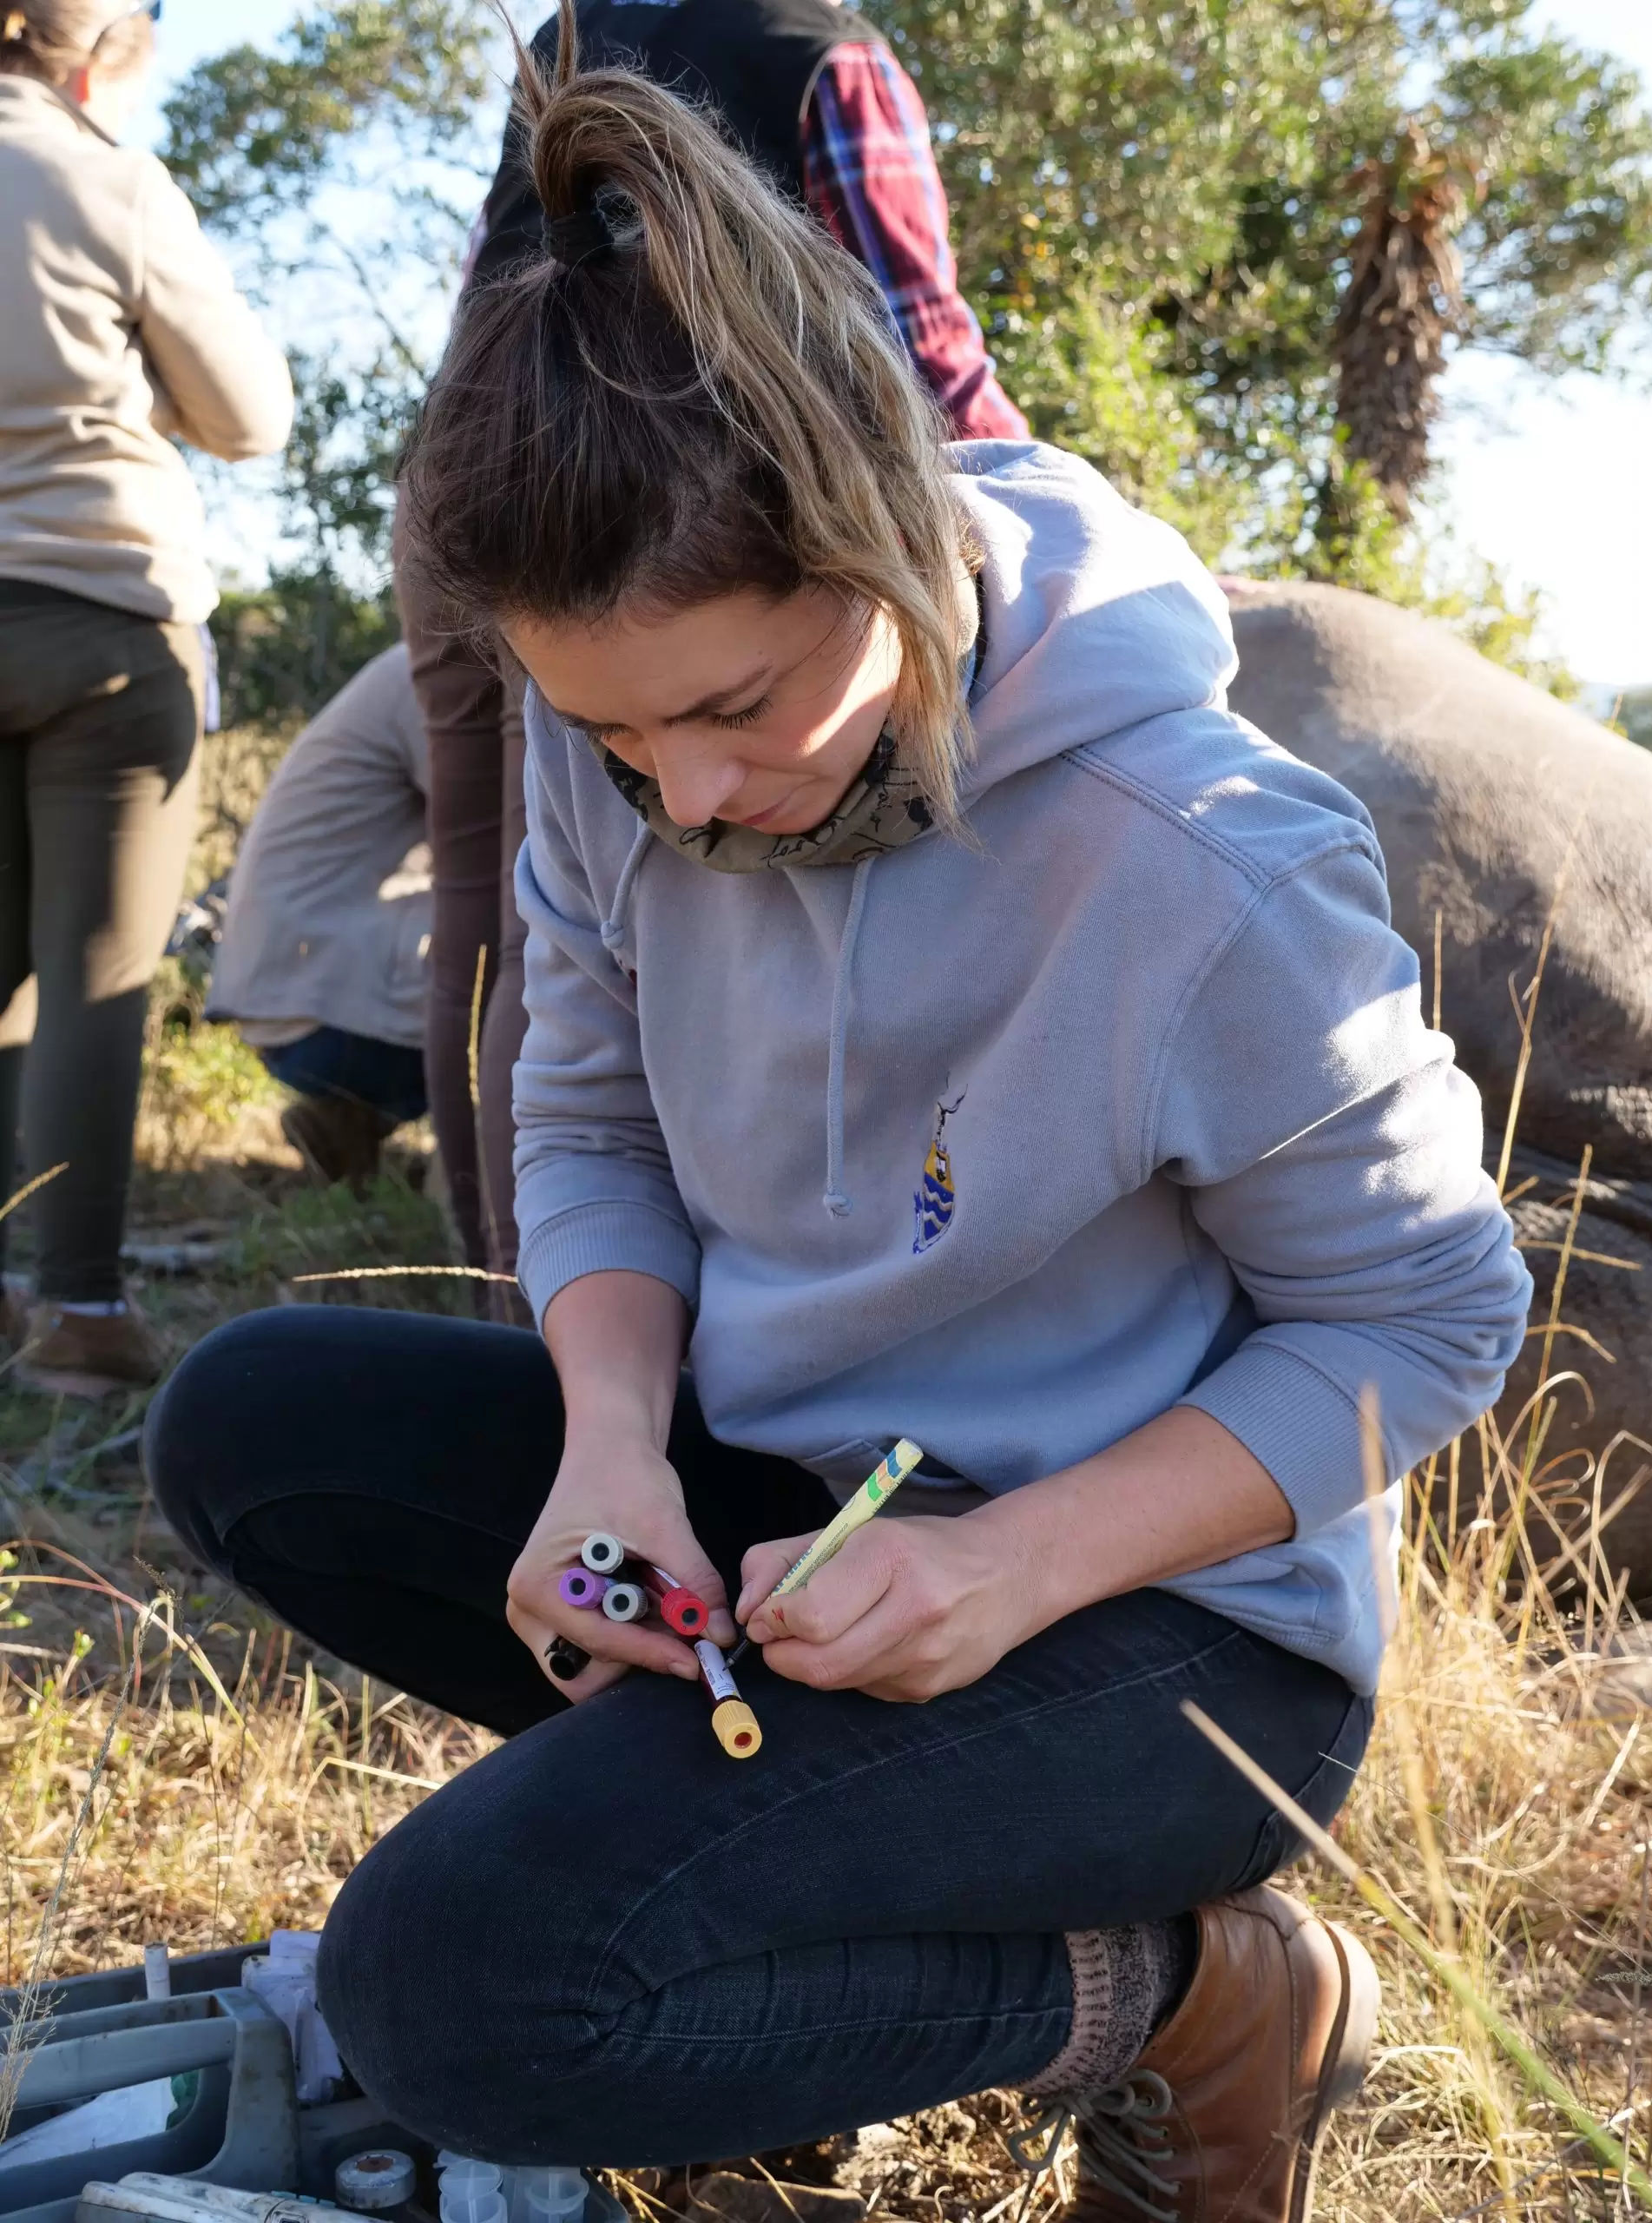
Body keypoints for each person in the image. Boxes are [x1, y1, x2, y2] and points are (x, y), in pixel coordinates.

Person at [145, 27, 1531, 2222]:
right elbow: (588, 1106)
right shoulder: (623, 766)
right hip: (801, 1509)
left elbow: (1430, 1319)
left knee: (459, 1998)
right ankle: (774, 1930)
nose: (684, 797)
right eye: (609, 732)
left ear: (888, 541)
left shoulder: (1196, 856)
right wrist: (611, 1438)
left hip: (1172, 1625)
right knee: (252, 1418)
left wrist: (1008, 1560)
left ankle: (1194, 1994)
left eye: (737, 705)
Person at [404, 0, 1026, 1295]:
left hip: (480, 509)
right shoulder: (824, 54)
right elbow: (916, 349)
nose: (681, 782)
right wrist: (1050, 505)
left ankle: (500, 1271)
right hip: (670, 538)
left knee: (489, 904)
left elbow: (496, 290)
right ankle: (580, 1308)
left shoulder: (571, 36)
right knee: (569, 911)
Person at [0, 0, 292, 1392]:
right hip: (101, 620)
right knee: (94, 976)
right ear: (96, 51)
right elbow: (249, 416)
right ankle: (78, 1317)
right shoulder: (104, 178)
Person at [205, 644, 431, 1191]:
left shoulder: (400, 669)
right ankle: (481, 1183)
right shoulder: (442, 674)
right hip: (322, 1021)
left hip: (280, 1009)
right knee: (534, 939)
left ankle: (349, 1124)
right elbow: (508, 851)